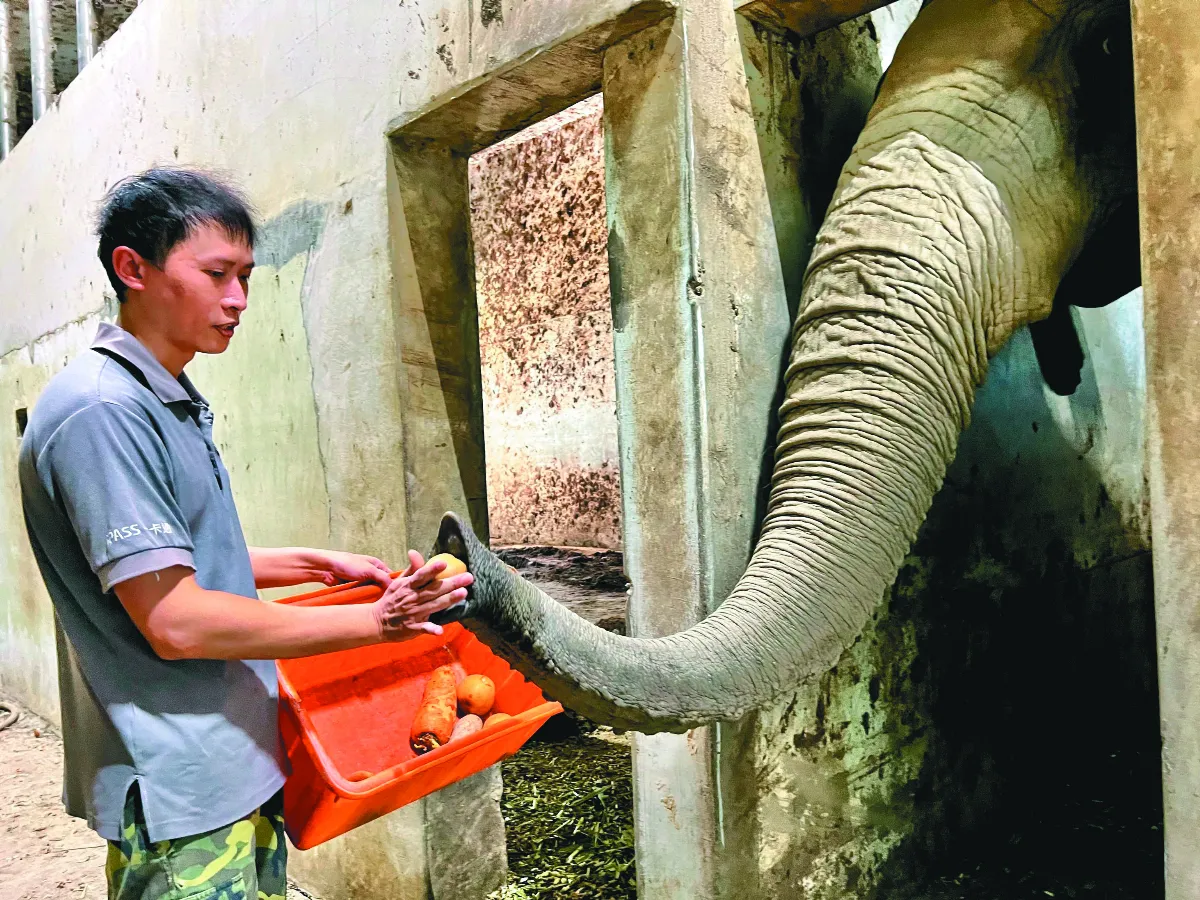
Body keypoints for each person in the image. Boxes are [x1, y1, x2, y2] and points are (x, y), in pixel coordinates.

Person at [17, 167, 474, 900]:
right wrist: (377, 621)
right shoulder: (101, 410)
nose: (237, 300)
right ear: (131, 268)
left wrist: (310, 564)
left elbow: (169, 563)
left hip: (229, 758)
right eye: (216, 274)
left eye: (247, 277)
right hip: (179, 781)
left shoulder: (161, 396)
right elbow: (175, 619)